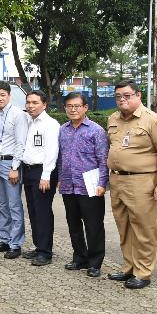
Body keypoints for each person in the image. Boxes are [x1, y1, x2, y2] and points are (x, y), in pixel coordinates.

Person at [106, 79, 157, 290]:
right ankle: (129, 268)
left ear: (138, 95)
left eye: (127, 95)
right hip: (117, 180)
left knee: (143, 228)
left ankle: (143, 272)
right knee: (124, 226)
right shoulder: (113, 119)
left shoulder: (154, 121)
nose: (122, 100)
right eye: (118, 96)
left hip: (142, 181)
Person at [57, 92, 108, 278]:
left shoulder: (96, 131)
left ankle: (95, 262)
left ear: (85, 108)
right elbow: (61, 158)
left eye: (77, 106)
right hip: (68, 184)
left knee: (93, 225)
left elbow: (103, 160)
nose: (73, 109)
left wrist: (102, 183)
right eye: (69, 106)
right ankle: (79, 257)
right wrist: (60, 179)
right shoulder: (63, 130)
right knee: (73, 224)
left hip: (90, 185)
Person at [0, 81, 27, 259]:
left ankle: (16, 244)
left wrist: (15, 167)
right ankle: (4, 239)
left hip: (10, 164)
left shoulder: (18, 115)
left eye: (2, 95)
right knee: (2, 204)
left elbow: (21, 143)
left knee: (14, 205)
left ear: (9, 96)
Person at [19, 90, 60, 267]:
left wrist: (46, 176)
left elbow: (52, 151)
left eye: (35, 103)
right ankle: (38, 246)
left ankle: (45, 252)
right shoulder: (28, 121)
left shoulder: (50, 124)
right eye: (28, 102)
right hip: (28, 170)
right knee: (33, 211)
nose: (31, 106)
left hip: (43, 172)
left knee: (43, 212)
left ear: (44, 105)